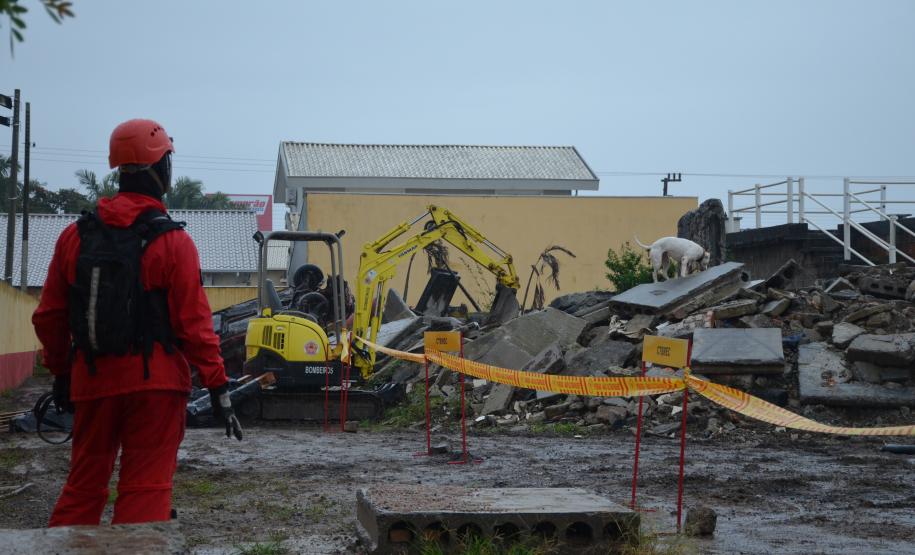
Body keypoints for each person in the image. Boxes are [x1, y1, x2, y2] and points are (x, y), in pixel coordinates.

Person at [32, 119, 242, 527]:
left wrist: (62, 374)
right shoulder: (173, 242)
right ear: (160, 168)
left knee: (83, 485)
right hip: (156, 389)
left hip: (92, 383)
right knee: (145, 490)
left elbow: (50, 316)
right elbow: (195, 327)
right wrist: (218, 388)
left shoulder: (75, 237)